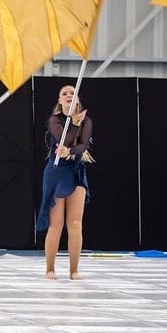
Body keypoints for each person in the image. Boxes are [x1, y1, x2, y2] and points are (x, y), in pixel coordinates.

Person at [36, 85, 93, 281]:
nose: (69, 95)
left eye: (72, 93)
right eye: (64, 94)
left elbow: (82, 145)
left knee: (75, 223)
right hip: (56, 172)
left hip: (75, 171)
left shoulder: (87, 120)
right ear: (60, 102)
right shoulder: (54, 120)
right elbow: (63, 138)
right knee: (56, 223)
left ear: (77, 99)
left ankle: (74, 270)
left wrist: (70, 151)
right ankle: (50, 268)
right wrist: (74, 125)